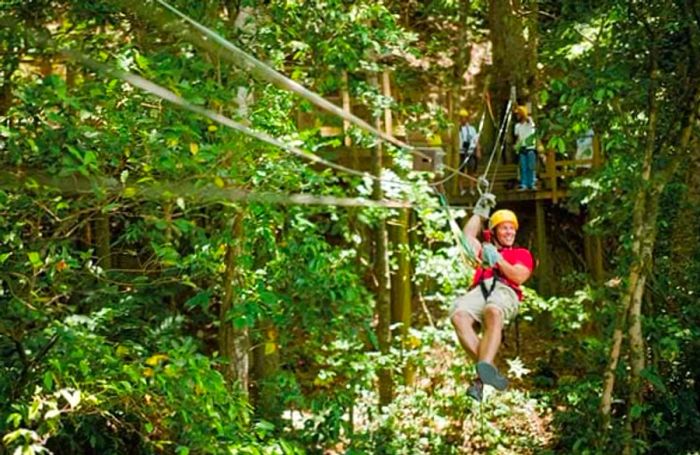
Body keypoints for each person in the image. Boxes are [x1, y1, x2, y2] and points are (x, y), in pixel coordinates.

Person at [450, 195, 534, 401]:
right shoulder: (484, 249)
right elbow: (467, 238)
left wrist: (499, 260)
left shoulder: (521, 254)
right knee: (458, 315)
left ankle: (481, 376)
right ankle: (488, 369)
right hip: (481, 289)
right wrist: (479, 214)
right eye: (505, 228)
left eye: (512, 229)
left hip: (506, 291)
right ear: (494, 232)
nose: (510, 232)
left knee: (493, 310)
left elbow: (519, 276)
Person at [514, 106, 537, 190]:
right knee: (523, 167)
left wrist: (522, 110)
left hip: (530, 147)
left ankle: (532, 183)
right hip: (522, 147)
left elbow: (528, 120)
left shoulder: (529, 122)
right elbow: (518, 137)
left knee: (531, 166)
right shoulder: (517, 126)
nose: (517, 116)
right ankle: (524, 184)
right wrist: (517, 146)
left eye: (518, 114)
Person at [458, 109, 481, 195]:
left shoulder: (472, 129)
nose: (462, 119)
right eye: (461, 118)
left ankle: (471, 189)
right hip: (461, 152)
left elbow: (476, 140)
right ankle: (461, 189)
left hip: (470, 152)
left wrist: (478, 150)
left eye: (464, 118)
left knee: (471, 171)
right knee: (461, 171)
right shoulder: (458, 129)